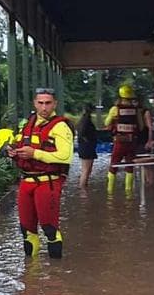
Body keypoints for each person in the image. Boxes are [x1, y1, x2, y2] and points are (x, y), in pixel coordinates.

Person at [8, 87, 73, 259]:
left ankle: (55, 274)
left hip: (48, 182)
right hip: (26, 182)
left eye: (48, 103)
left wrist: (35, 154)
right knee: (26, 229)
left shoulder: (60, 126)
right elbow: (18, 143)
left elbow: (65, 157)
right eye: (41, 103)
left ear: (55, 104)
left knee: (49, 228)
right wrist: (12, 151)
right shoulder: (27, 124)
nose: (44, 107)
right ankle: (31, 273)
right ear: (35, 103)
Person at [104, 84, 144, 192]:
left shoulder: (115, 109)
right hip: (132, 142)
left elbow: (106, 122)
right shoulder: (137, 110)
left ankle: (110, 192)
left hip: (119, 142)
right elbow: (141, 127)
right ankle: (128, 193)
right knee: (130, 167)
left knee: (113, 166)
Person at [75, 104, 98, 186]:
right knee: (86, 170)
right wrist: (88, 141)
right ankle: (83, 189)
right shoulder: (86, 121)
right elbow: (82, 133)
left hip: (85, 147)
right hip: (87, 147)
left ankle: (84, 188)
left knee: (87, 170)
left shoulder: (82, 120)